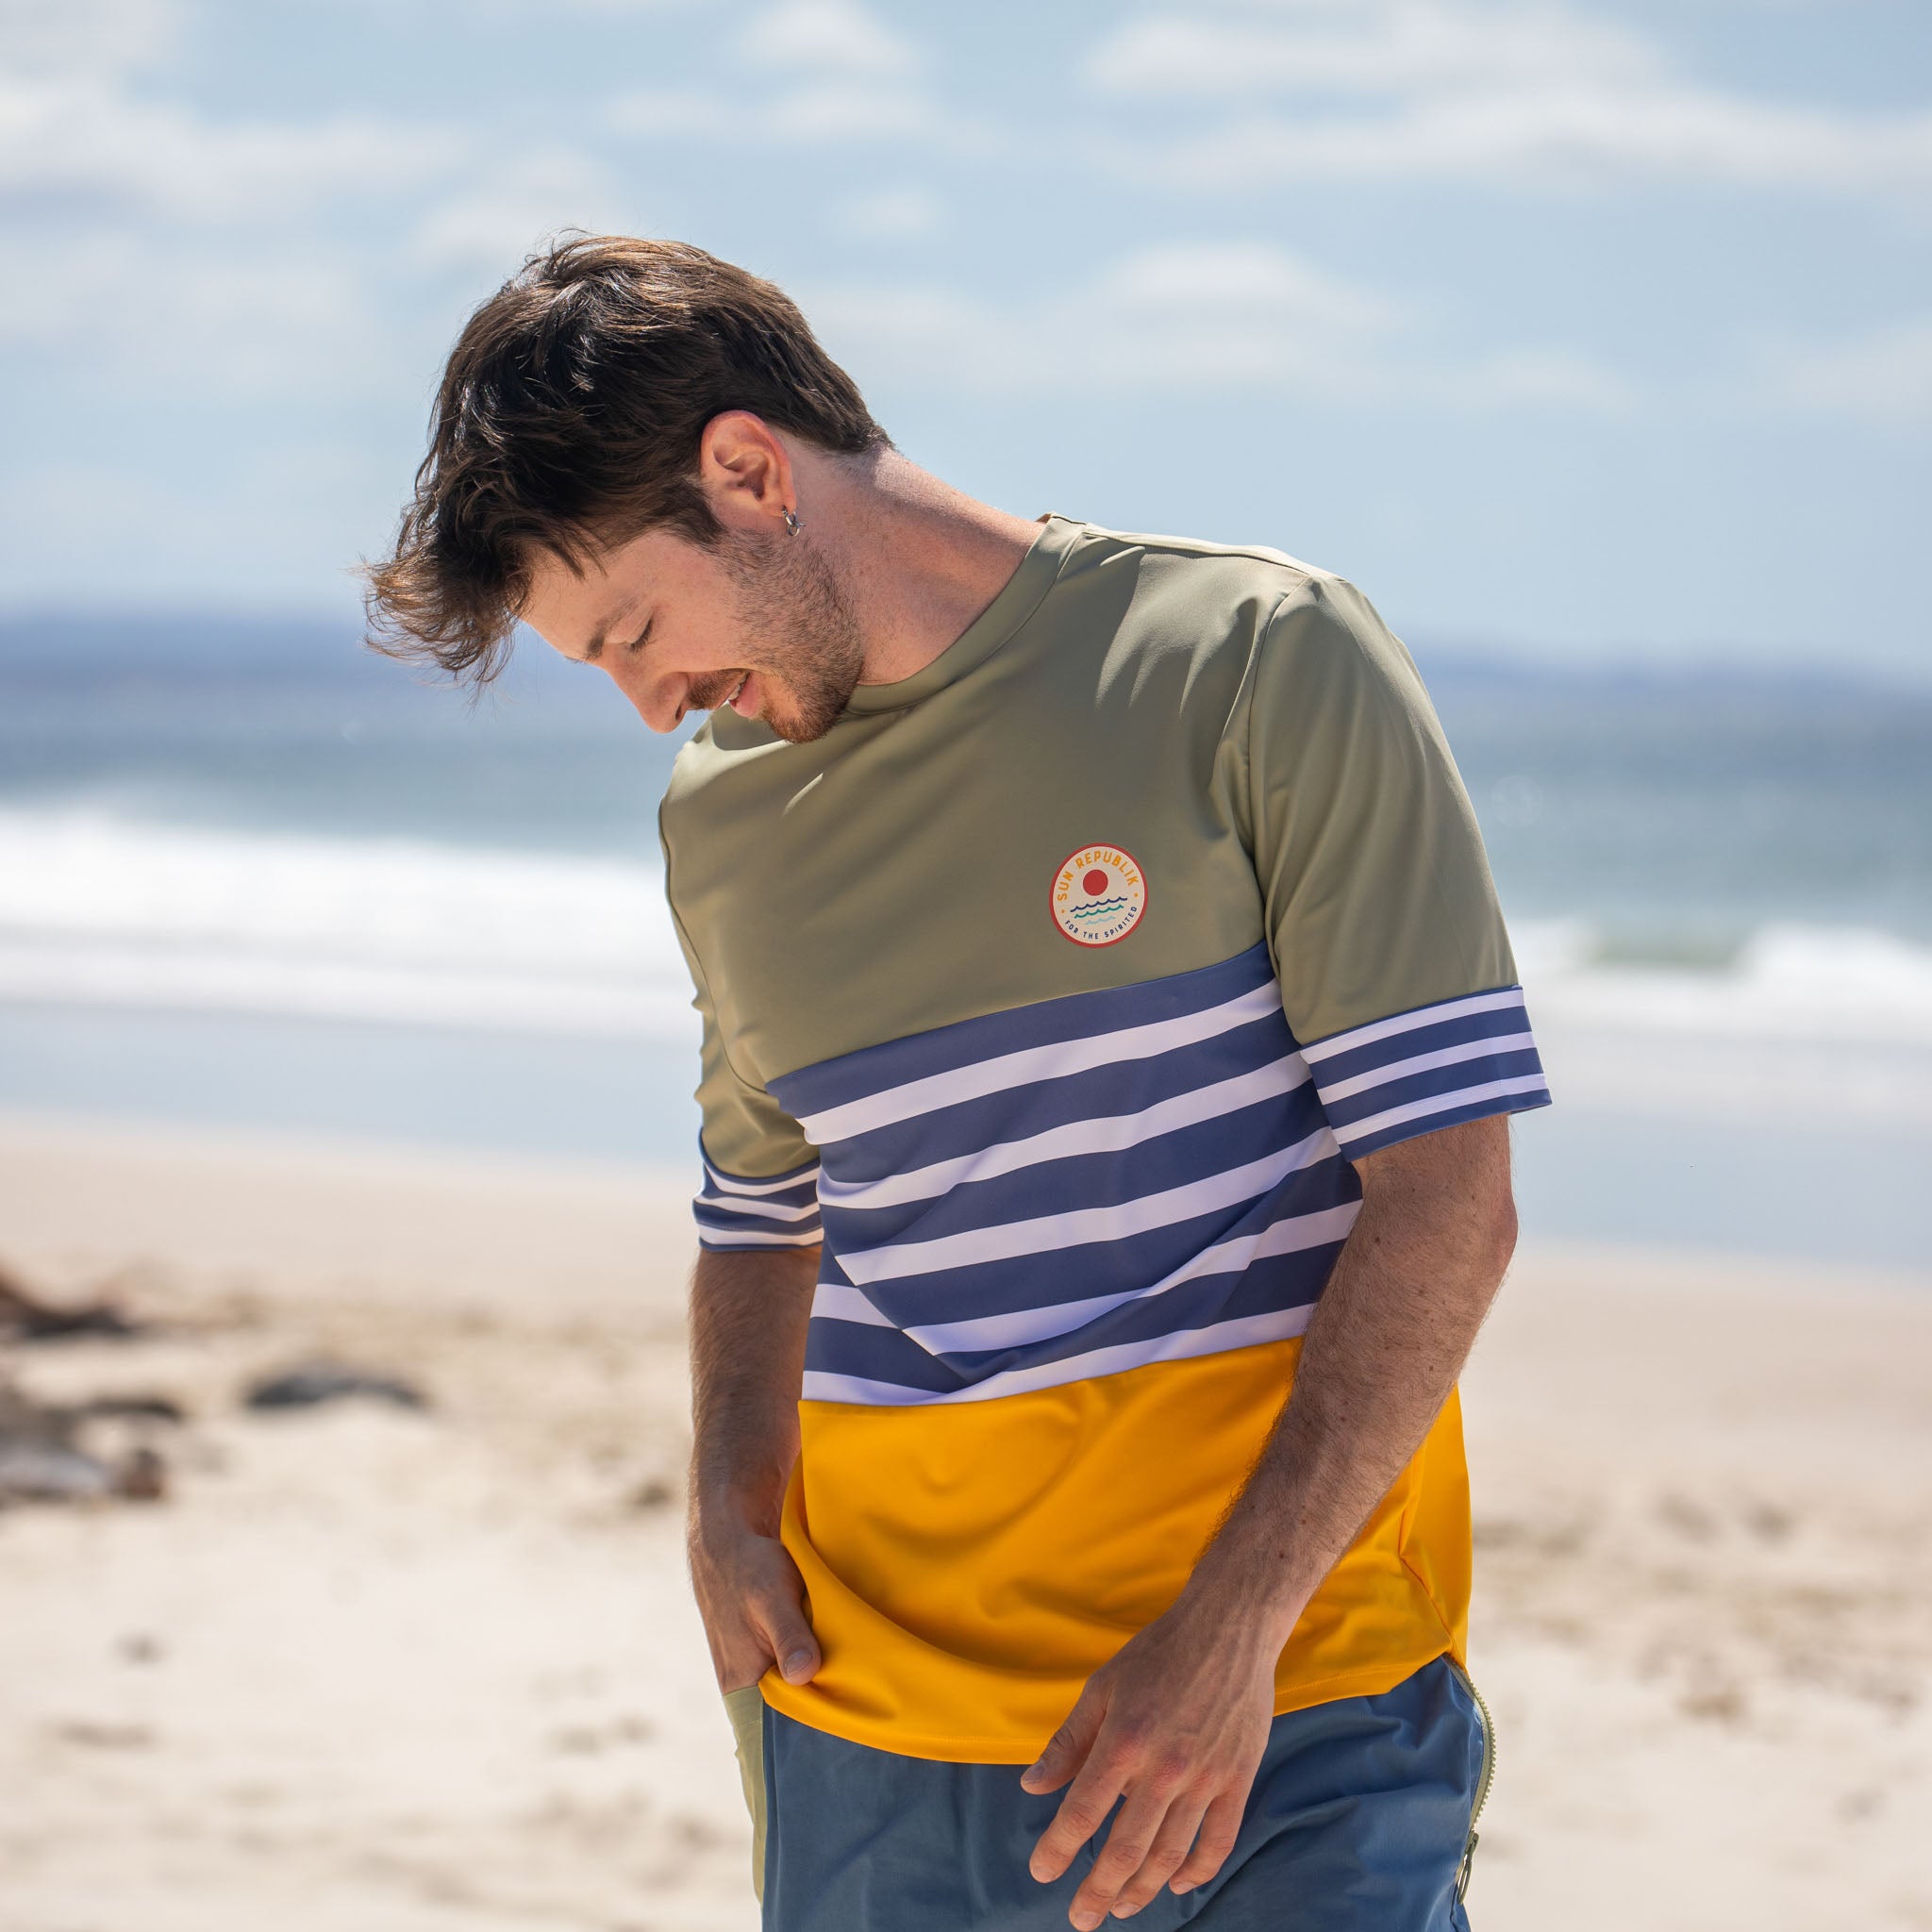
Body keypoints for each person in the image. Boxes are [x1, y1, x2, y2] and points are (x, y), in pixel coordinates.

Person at [365, 235, 1551, 1931]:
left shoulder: (1253, 659)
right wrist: (723, 1511)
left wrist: (1226, 1639)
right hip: (873, 1728)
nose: (650, 709)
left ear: (750, 470)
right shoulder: (722, 814)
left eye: (635, 629)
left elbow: (1450, 1198)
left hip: (1285, 1701)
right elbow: (763, 1215)